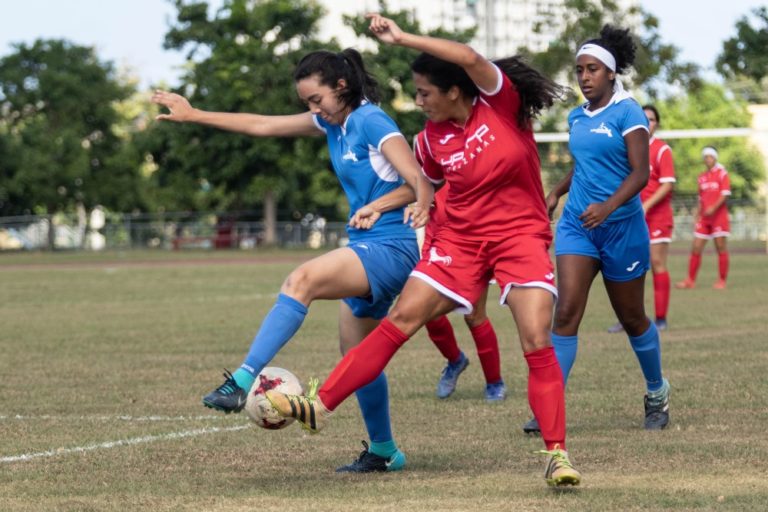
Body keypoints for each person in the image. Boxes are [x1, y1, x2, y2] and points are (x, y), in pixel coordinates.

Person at [267, 14, 581, 487]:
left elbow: (470, 57)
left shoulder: (500, 104)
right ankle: (320, 405)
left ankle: (557, 455)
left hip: (519, 237)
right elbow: (422, 185)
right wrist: (389, 204)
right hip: (458, 242)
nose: (418, 102)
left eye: (424, 93)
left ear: (454, 90)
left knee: (536, 339)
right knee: (400, 320)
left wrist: (401, 38)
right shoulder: (430, 139)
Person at [151, 48, 430, 473]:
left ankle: (241, 380)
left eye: (317, 99)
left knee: (301, 280)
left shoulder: (371, 121)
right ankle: (385, 451)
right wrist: (194, 115)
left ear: (341, 86)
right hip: (366, 244)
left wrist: (380, 205)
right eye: (307, 104)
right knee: (358, 357)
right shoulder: (332, 122)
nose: (313, 110)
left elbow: (419, 181)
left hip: (392, 246)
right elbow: (262, 125)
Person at [523, 25, 671, 435]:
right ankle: (549, 404)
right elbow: (585, 165)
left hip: (622, 229)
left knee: (632, 317)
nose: (584, 77)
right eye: (579, 70)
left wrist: (608, 207)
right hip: (578, 226)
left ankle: (657, 391)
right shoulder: (576, 116)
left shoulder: (628, 112)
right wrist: (556, 192)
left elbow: (640, 173)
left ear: (610, 72)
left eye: (592, 69)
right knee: (566, 312)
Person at [414, 134, 506, 402]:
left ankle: (494, 382)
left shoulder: (483, 137)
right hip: (438, 238)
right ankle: (455, 360)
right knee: (423, 311)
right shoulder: (424, 142)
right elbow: (420, 181)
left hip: (474, 239)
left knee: (474, 315)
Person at [608, 105, 676, 333]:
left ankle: (660, 318)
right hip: (630, 216)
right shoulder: (627, 148)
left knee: (656, 263)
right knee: (627, 267)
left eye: (652, 119)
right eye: (643, 118)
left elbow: (667, 184)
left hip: (656, 218)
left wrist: (645, 205)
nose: (647, 123)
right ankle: (628, 318)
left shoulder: (662, 149)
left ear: (657, 124)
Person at [675, 146, 731, 290]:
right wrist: (697, 214)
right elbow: (700, 198)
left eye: (710, 156)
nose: (708, 159)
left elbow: (725, 194)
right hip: (704, 219)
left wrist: (714, 207)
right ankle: (690, 280)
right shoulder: (702, 177)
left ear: (715, 158)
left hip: (718, 217)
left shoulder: (722, 173)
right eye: (705, 157)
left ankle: (722, 280)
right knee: (696, 247)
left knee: (720, 247)